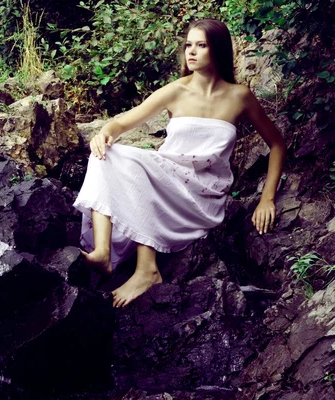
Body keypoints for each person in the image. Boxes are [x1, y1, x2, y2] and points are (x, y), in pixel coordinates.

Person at [73, 19, 286, 308]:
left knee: (136, 166)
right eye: (188, 45)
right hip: (167, 177)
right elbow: (122, 122)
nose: (191, 52)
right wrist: (104, 134)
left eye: (201, 45)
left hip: (204, 196)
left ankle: (146, 270)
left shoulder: (240, 96)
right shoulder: (176, 90)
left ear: (218, 50)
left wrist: (267, 199)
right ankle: (102, 252)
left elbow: (276, 144)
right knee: (105, 153)